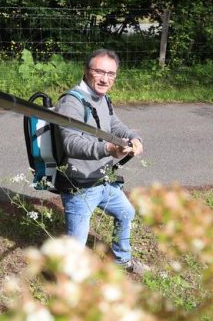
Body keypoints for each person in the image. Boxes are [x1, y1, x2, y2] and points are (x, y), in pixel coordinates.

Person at [54, 49, 150, 275]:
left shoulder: (103, 98)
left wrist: (134, 137)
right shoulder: (71, 102)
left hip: (103, 179)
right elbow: (71, 144)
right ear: (87, 71)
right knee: (76, 245)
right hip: (80, 184)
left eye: (111, 73)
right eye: (99, 71)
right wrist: (108, 148)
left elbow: (114, 125)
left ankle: (122, 260)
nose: (105, 78)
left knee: (126, 213)